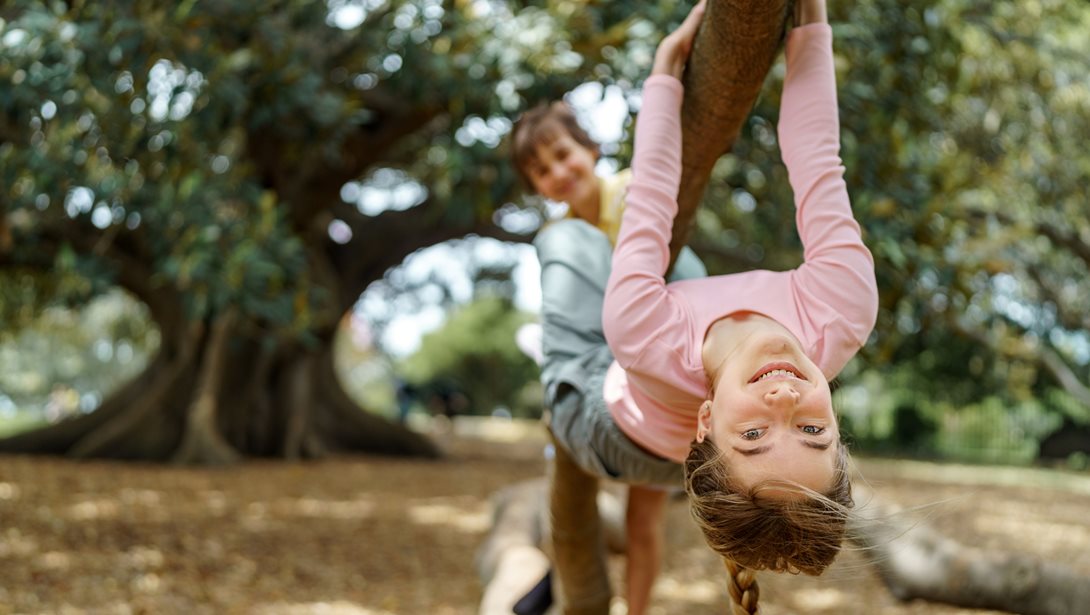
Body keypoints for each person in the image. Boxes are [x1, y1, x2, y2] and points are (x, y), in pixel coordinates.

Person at [536, 0, 879, 611]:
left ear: (708, 424)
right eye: (811, 430)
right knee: (684, 269)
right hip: (671, 388)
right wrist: (812, 31)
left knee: (568, 239)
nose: (784, 402)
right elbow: (818, 158)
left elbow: (651, 193)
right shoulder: (842, 306)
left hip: (610, 424)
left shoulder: (645, 333)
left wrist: (664, 77)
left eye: (755, 433)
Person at [510, 75, 707, 615]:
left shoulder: (630, 196)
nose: (557, 174)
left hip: (657, 365)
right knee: (571, 489)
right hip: (603, 376)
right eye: (541, 171)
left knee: (644, 518)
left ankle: (635, 609)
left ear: (590, 149)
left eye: (563, 155)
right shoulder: (566, 237)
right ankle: (561, 583)